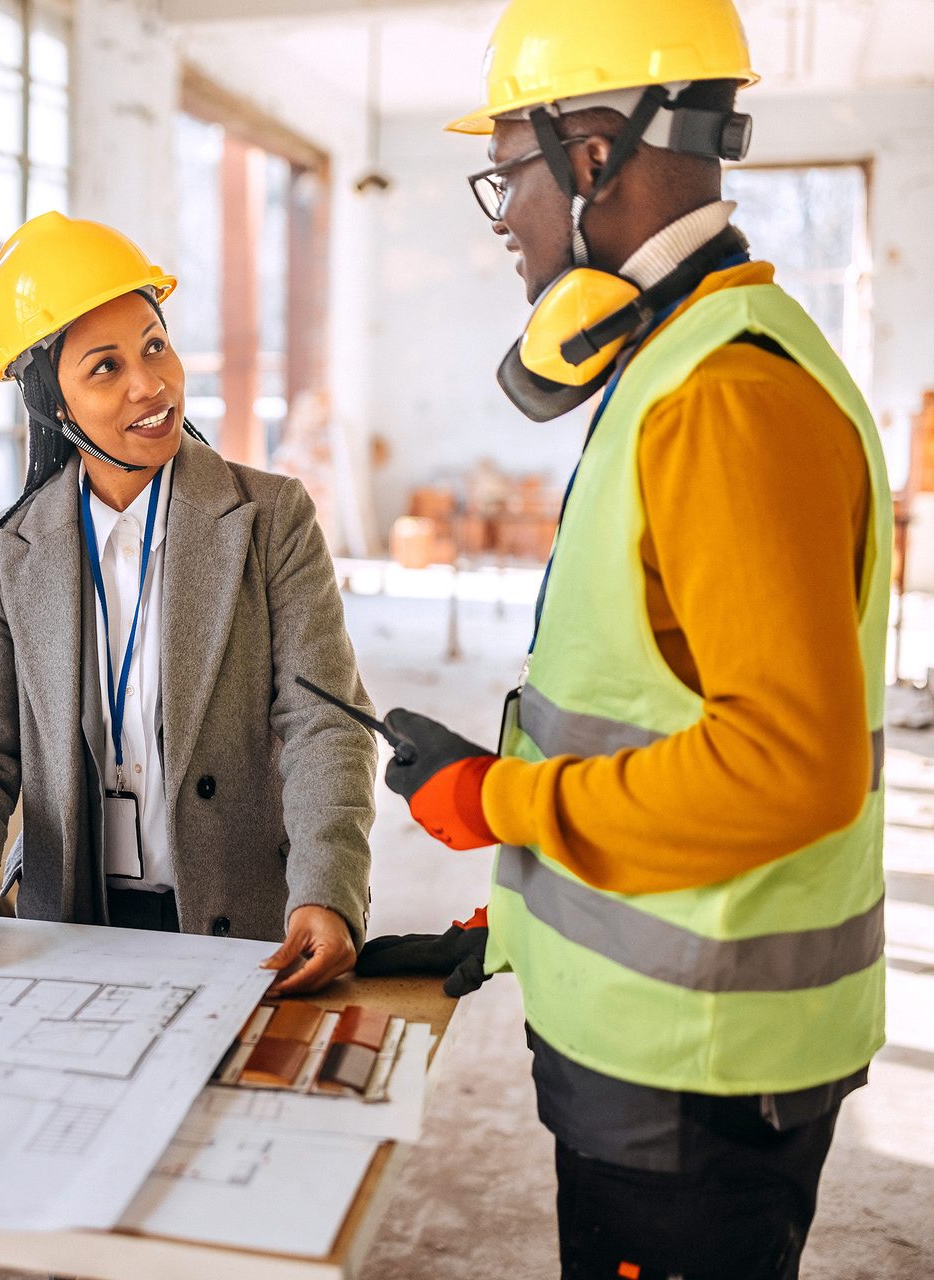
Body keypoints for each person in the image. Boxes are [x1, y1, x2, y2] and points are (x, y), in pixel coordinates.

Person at [376, 3, 890, 1276]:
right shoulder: (687, 360)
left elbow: (784, 765)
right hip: (667, 1038)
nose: (506, 218)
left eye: (511, 173)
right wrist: (517, 916)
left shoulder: (725, 396)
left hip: (692, 1067)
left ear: (593, 153)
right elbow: (653, 700)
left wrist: (502, 796)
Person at [0, 211, 374, 990]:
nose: (150, 384)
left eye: (155, 346)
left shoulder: (270, 520)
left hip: (245, 924)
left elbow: (325, 723)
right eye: (105, 367)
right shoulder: (8, 552)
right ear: (53, 403)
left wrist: (328, 891)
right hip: (69, 931)